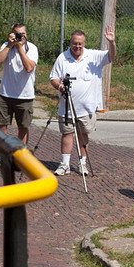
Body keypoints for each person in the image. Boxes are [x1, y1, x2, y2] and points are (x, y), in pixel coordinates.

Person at [49, 27, 116, 176]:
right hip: (66, 107)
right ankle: (64, 164)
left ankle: (82, 163)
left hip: (87, 107)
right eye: (74, 43)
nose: (77, 46)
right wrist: (59, 87)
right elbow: (53, 77)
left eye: (80, 44)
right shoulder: (62, 58)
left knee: (83, 135)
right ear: (70, 43)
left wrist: (111, 42)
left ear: (84, 43)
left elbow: (111, 56)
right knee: (67, 134)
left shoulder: (93, 56)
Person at [0, 23, 38, 168]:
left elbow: (29, 68)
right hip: (5, 93)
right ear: (11, 34)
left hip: (25, 95)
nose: (20, 37)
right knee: (1, 126)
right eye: (17, 34)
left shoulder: (32, 48)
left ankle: (20, 156)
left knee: (23, 127)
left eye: (22, 34)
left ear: (26, 35)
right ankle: (0, 155)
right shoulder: (6, 46)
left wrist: (20, 48)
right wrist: (10, 46)